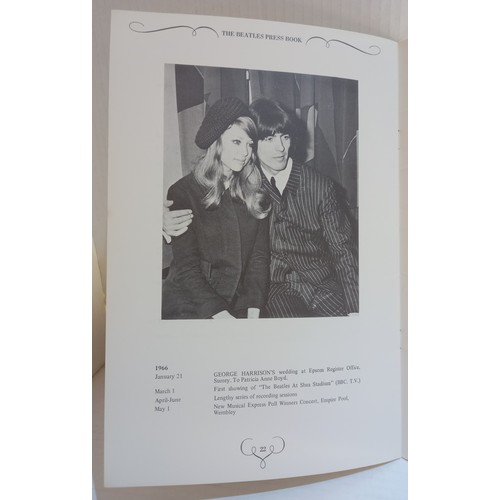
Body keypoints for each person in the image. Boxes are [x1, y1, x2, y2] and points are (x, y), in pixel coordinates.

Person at [164, 98, 358, 318]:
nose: (280, 148)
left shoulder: (307, 187)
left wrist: (355, 310)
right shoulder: (231, 183)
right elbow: (188, 261)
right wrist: (159, 220)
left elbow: (343, 251)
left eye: (285, 137)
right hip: (252, 294)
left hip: (313, 287)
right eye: (268, 138)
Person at [161, 97, 270, 320]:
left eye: (250, 144)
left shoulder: (255, 192)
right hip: (191, 303)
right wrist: (222, 317)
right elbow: (187, 270)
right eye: (236, 142)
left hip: (238, 302)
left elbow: (258, 260)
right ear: (216, 143)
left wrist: (254, 311)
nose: (245, 152)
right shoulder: (183, 192)